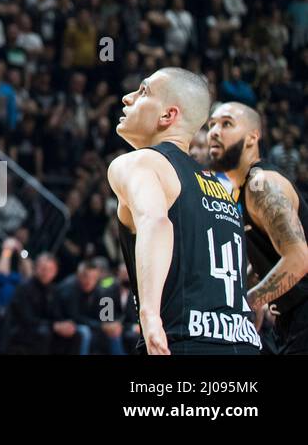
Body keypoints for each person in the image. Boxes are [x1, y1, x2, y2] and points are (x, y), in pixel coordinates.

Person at [108, 68, 261, 354]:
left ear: (167, 116)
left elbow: (156, 221)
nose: (127, 98)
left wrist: (150, 316)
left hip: (182, 340)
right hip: (245, 343)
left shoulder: (138, 163)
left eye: (143, 92)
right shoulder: (220, 189)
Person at [208, 100, 308, 354]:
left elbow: (299, 258)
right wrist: (252, 280)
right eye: (211, 125)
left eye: (226, 123)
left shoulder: (261, 183)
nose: (214, 131)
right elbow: (270, 251)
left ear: (253, 137)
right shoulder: (243, 190)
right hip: (290, 321)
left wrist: (252, 299)